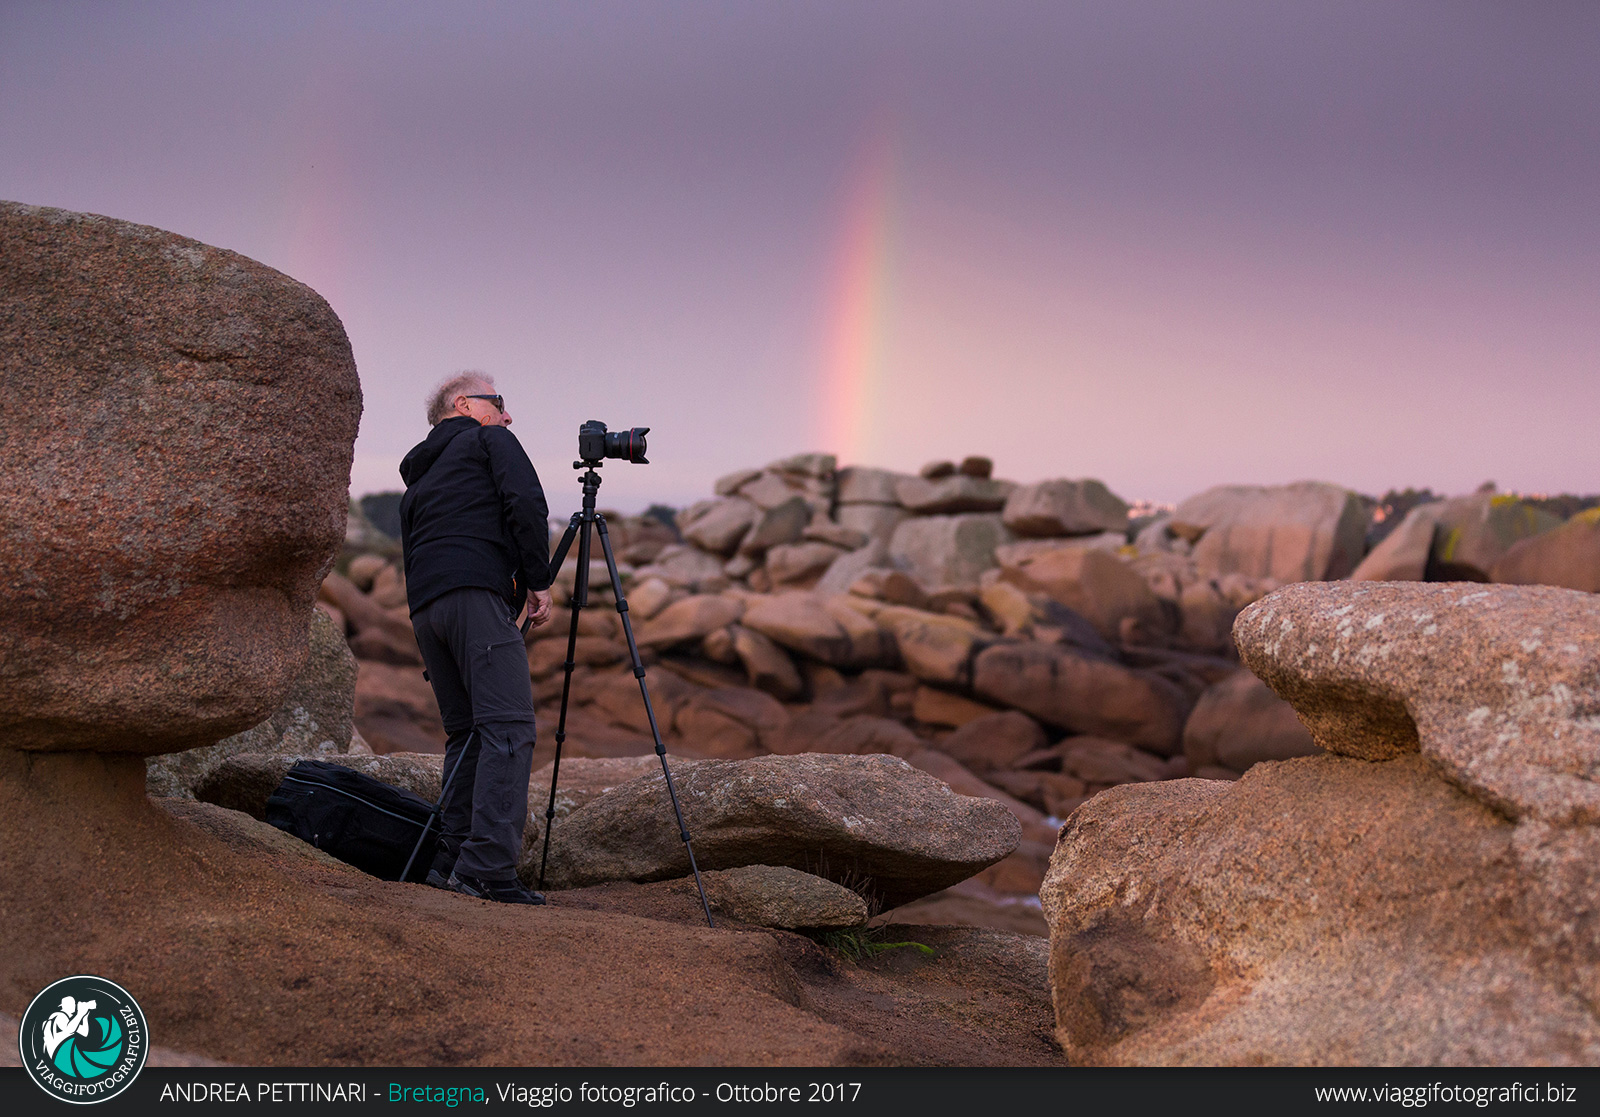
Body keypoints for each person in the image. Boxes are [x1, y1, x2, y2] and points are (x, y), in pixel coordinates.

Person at [399, 371, 554, 904]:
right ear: (464, 404)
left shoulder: (419, 474)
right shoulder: (490, 440)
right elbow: (526, 502)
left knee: (465, 734)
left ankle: (449, 861)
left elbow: (409, 550)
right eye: (499, 402)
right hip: (473, 597)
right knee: (508, 728)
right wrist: (536, 581)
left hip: (427, 609)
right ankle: (486, 869)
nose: (507, 415)